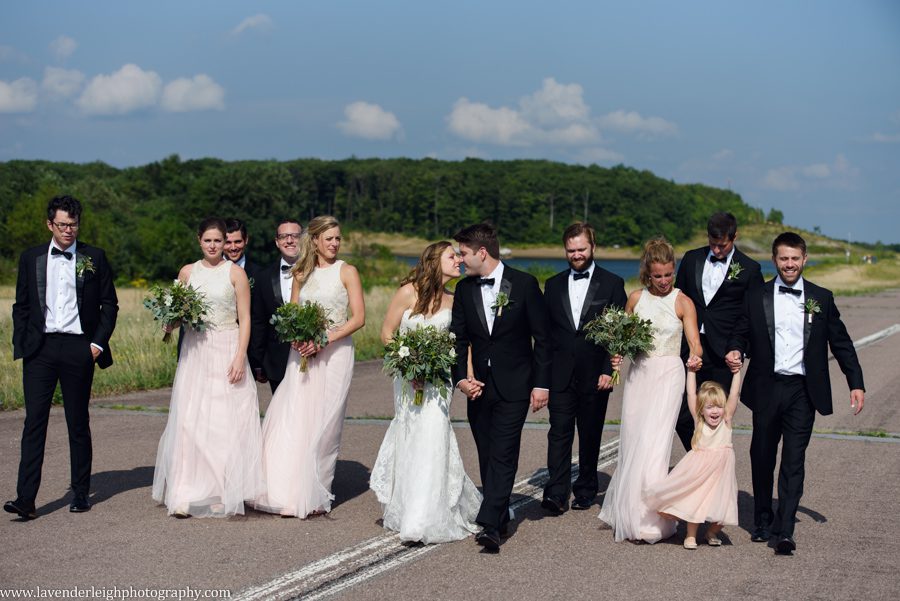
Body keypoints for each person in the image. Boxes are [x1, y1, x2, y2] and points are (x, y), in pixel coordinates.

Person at [726, 232, 865, 555]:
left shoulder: (822, 298)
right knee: (761, 455)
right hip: (766, 387)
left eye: (795, 258)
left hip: (803, 390)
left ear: (804, 259)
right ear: (774, 260)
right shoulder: (756, 295)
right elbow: (740, 332)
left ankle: (785, 528)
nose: (789, 264)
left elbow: (841, 343)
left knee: (793, 459)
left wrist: (855, 382)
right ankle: (762, 519)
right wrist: (734, 349)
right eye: (783, 259)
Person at [6, 195, 119, 520]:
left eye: (73, 224)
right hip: (40, 350)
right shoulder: (31, 258)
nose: (68, 230)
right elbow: (22, 305)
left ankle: (81, 492)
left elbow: (109, 304)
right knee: (34, 423)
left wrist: (97, 344)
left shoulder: (93, 256)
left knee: (77, 422)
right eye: (62, 224)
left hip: (78, 348)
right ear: (50, 224)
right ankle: (25, 499)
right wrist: (24, 341)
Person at [370, 241, 482, 543]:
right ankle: (408, 505)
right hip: (407, 381)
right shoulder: (408, 292)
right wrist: (407, 367)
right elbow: (387, 332)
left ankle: (424, 516)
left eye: (459, 256)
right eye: (452, 256)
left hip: (440, 381)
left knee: (433, 433)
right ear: (434, 261)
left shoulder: (456, 299)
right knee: (411, 433)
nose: (458, 260)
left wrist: (469, 376)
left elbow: (463, 343)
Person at [151, 217, 263, 518]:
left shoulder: (235, 273)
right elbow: (176, 314)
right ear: (199, 241)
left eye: (220, 241)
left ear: (226, 243)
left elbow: (246, 319)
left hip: (226, 346)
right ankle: (185, 491)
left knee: (222, 423)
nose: (214, 246)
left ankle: (219, 490)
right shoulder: (188, 272)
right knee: (190, 421)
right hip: (196, 350)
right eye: (209, 240)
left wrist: (240, 356)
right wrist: (169, 321)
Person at [255, 215, 365, 518]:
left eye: (338, 238)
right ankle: (283, 490)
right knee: (295, 419)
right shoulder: (301, 272)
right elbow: (291, 313)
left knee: (325, 425)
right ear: (314, 240)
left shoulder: (347, 271)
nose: (334, 244)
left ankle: (315, 494)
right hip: (302, 355)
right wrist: (298, 338)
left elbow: (358, 318)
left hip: (335, 354)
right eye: (328, 238)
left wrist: (323, 339)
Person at [450, 222, 551, 552]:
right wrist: (460, 379)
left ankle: (491, 524)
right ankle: (500, 514)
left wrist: (541, 384)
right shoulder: (465, 291)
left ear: (482, 252)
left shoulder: (523, 284)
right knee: (486, 452)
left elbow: (543, 338)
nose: (460, 259)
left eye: (463, 253)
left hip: (516, 385)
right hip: (478, 387)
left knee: (504, 452)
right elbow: (459, 338)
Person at [598, 237, 702, 543]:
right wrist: (616, 355)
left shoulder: (683, 301)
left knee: (655, 445)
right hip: (639, 374)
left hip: (669, 373)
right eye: (658, 276)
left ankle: (653, 519)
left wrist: (696, 356)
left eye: (669, 274)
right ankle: (630, 513)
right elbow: (622, 339)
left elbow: (694, 342)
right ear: (647, 272)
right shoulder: (635, 299)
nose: (664, 281)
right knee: (634, 440)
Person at [541, 222, 627, 514]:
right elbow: (546, 336)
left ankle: (587, 488)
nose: (576, 254)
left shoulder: (613, 283)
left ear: (593, 247)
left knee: (590, 433)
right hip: (560, 373)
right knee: (559, 432)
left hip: (595, 373)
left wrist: (609, 369)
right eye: (571, 250)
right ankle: (556, 492)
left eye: (581, 249)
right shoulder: (552, 286)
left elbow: (618, 332)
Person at [673, 212, 762, 451]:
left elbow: (750, 316)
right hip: (690, 347)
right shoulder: (691, 259)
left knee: (717, 416)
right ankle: (699, 458)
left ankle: (712, 469)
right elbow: (678, 299)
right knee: (681, 413)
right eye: (712, 244)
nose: (717, 250)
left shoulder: (750, 269)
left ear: (735, 237)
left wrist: (737, 347)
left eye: (722, 245)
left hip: (724, 352)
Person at [645, 369, 740, 550]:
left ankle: (712, 532)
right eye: (709, 407)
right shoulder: (699, 422)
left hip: (721, 473)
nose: (715, 411)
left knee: (724, 509)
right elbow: (690, 393)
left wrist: (736, 373)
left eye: (719, 406)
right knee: (695, 503)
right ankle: (690, 535)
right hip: (699, 471)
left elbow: (735, 393)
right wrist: (691, 372)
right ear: (701, 409)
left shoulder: (726, 420)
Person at [249, 219, 303, 392]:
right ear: (277, 241)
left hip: (311, 357)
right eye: (284, 236)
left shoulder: (317, 272)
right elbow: (259, 321)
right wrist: (257, 362)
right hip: (275, 361)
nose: (289, 240)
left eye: (295, 235)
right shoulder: (263, 277)